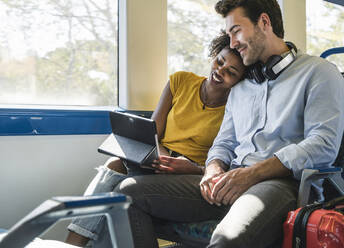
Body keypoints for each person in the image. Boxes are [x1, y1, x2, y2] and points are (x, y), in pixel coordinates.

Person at [103, 0, 344, 247]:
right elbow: (224, 143)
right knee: (128, 192)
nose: (232, 43)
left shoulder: (319, 73)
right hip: (229, 179)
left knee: (227, 239)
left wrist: (251, 174)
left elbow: (323, 145)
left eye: (236, 31)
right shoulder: (240, 88)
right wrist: (213, 169)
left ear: (264, 22)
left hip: (280, 184)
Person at [65, 31, 246, 247]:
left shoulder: (235, 108)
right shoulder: (180, 81)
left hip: (188, 171)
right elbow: (152, 133)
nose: (220, 71)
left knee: (117, 193)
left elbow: (222, 160)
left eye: (230, 72)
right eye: (220, 61)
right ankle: (72, 243)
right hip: (157, 158)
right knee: (113, 165)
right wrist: (161, 155)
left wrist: (192, 168)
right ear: (214, 55)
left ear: (239, 81)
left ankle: (73, 244)